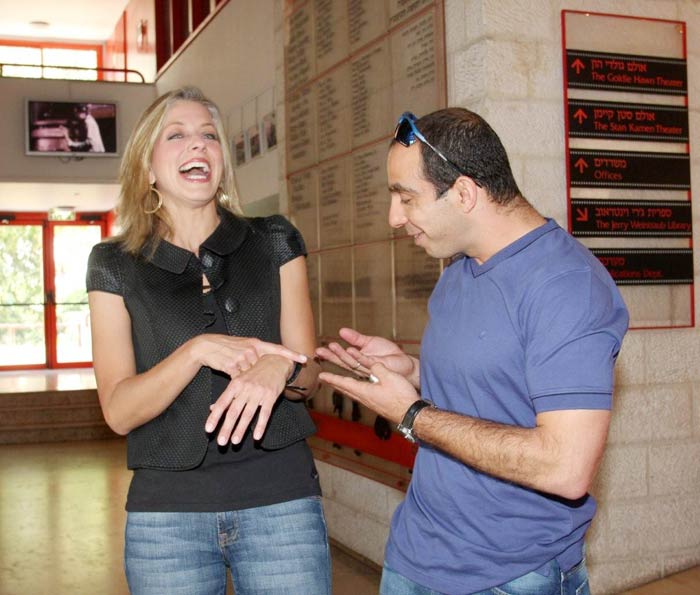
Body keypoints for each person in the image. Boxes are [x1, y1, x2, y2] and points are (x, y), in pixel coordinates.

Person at [316, 108, 629, 595]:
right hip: (415, 556)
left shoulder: (568, 286)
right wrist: (413, 371)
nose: (394, 217)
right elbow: (495, 388)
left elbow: (565, 468)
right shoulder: (458, 272)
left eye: (406, 198)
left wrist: (411, 414)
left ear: (464, 193)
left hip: (508, 576)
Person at [86, 86, 331, 595]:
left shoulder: (274, 240)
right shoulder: (113, 264)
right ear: (148, 168)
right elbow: (119, 411)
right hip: (166, 520)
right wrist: (196, 351)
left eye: (209, 136)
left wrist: (281, 367)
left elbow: (309, 374)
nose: (197, 144)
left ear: (221, 161)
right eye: (176, 135)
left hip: (281, 502)